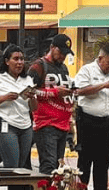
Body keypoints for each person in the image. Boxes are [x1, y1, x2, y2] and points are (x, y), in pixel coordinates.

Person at [0, 44, 37, 190]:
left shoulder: (27, 79)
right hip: (6, 122)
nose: (19, 63)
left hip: (25, 125)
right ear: (7, 61)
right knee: (12, 165)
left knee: (22, 165)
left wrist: (32, 97)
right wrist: (5, 97)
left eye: (22, 59)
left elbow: (34, 108)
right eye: (16, 59)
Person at [74, 42, 109, 190]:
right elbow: (80, 91)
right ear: (100, 58)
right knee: (85, 158)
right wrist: (104, 85)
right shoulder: (87, 70)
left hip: (106, 121)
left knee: (104, 158)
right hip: (88, 120)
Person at [29, 33, 76, 175]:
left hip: (63, 124)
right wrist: (54, 92)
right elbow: (29, 91)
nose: (63, 56)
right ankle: (45, 189)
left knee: (58, 168)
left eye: (66, 54)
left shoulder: (64, 68)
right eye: (61, 52)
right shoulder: (38, 66)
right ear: (52, 47)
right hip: (46, 124)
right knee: (49, 166)